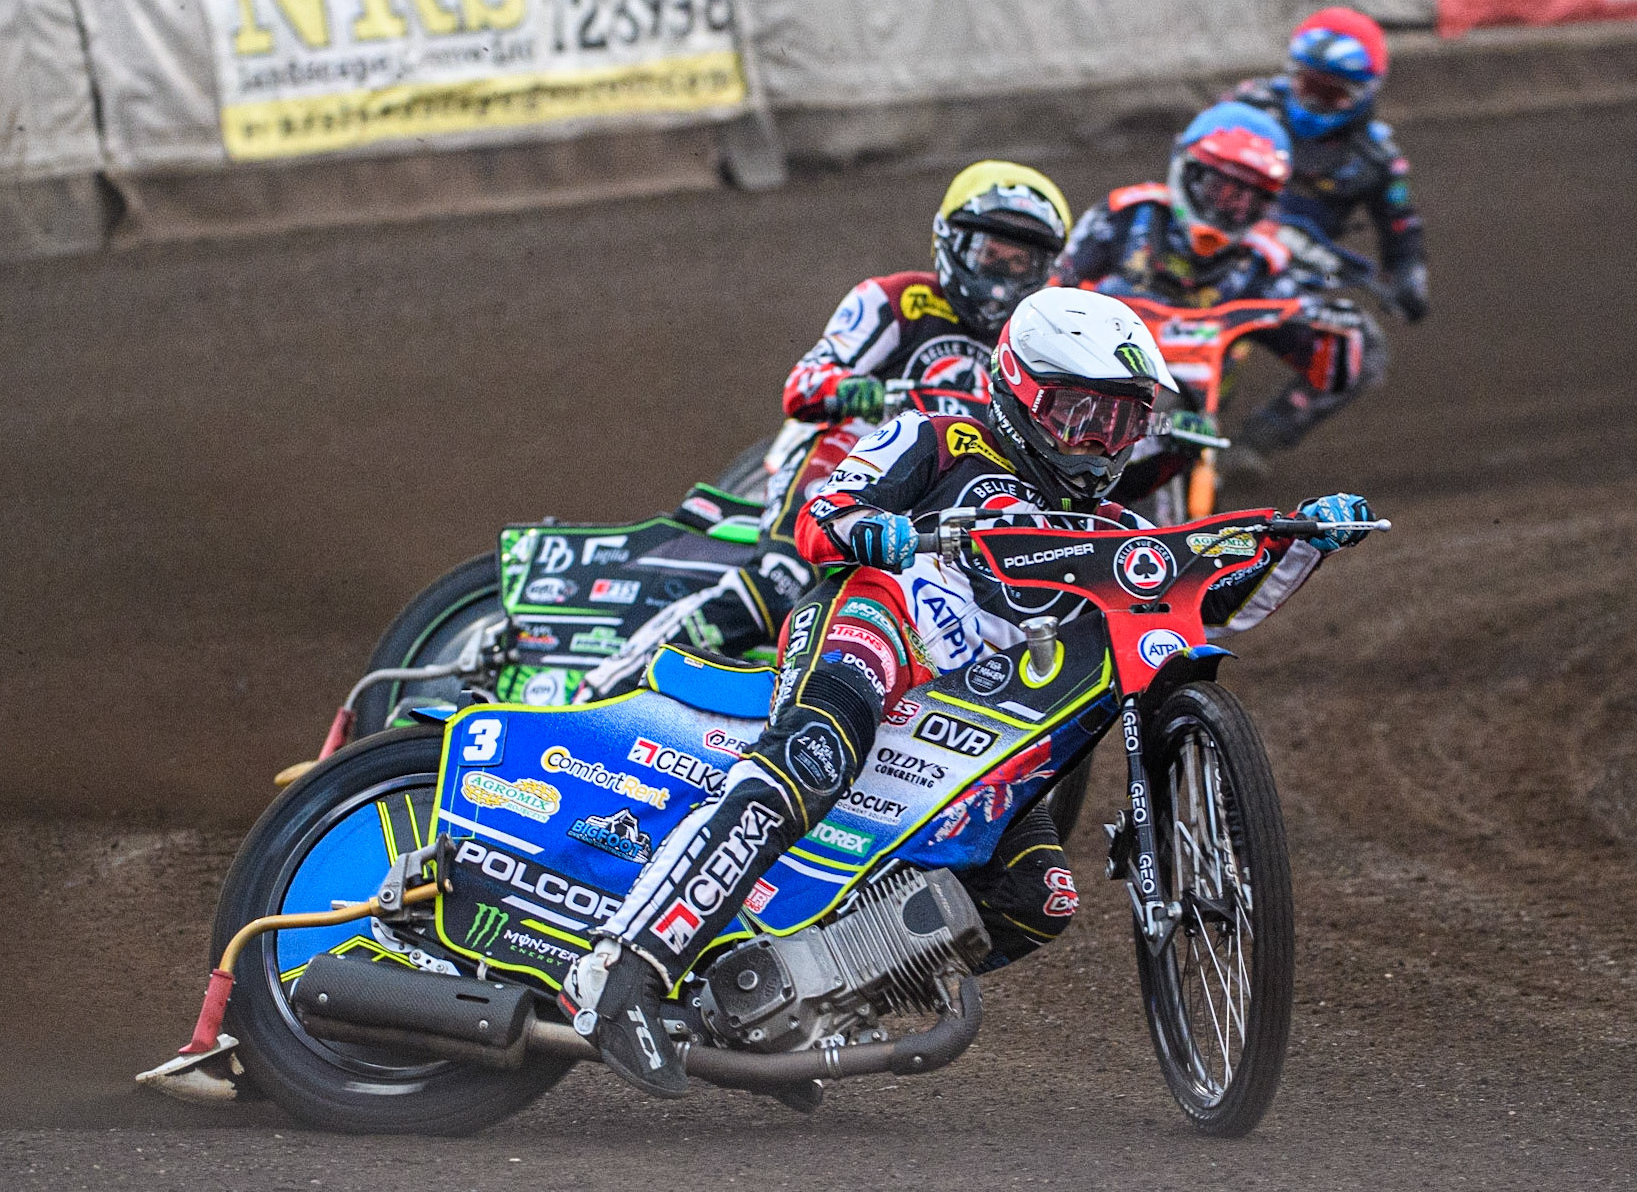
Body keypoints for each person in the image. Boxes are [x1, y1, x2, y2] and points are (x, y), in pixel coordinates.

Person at [563, 287, 1378, 1098]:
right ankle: (623, 967)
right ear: (1019, 390)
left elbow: (1216, 596)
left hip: (972, 727)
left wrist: (1302, 540)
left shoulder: (1111, 531)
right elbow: (822, 513)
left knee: (1035, 897)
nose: (1098, 443)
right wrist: (865, 525)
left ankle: (788, 1009)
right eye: (1078, 414)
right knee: (810, 757)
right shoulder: (940, 436)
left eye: (1120, 421)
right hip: (878, 626)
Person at [576, 161, 1075, 701]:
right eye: (990, 254)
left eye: (1021, 261)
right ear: (950, 242)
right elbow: (804, 384)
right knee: (782, 581)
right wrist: (865, 392)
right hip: (845, 463)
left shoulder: (1033, 347)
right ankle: (605, 687)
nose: (1002, 275)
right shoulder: (897, 299)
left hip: (941, 495)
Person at [1054, 99, 1387, 480]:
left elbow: (1306, 312)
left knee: (1364, 347)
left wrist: (1325, 319)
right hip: (1101, 379)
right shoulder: (1127, 214)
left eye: (1248, 199)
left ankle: (1250, 446)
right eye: (1220, 190)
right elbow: (1053, 282)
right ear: (1189, 170)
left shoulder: (1262, 259)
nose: (1230, 208)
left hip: (1198, 397)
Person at [1228, 7, 1429, 323]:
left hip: (1288, 284)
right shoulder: (1248, 106)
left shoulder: (1376, 158)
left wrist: (1407, 277)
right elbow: (1187, 160)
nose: (1314, 104)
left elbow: (1402, 226)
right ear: (1293, 74)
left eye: (1331, 94)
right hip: (1212, 248)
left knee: (1356, 344)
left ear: (1364, 93)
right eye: (1309, 87)